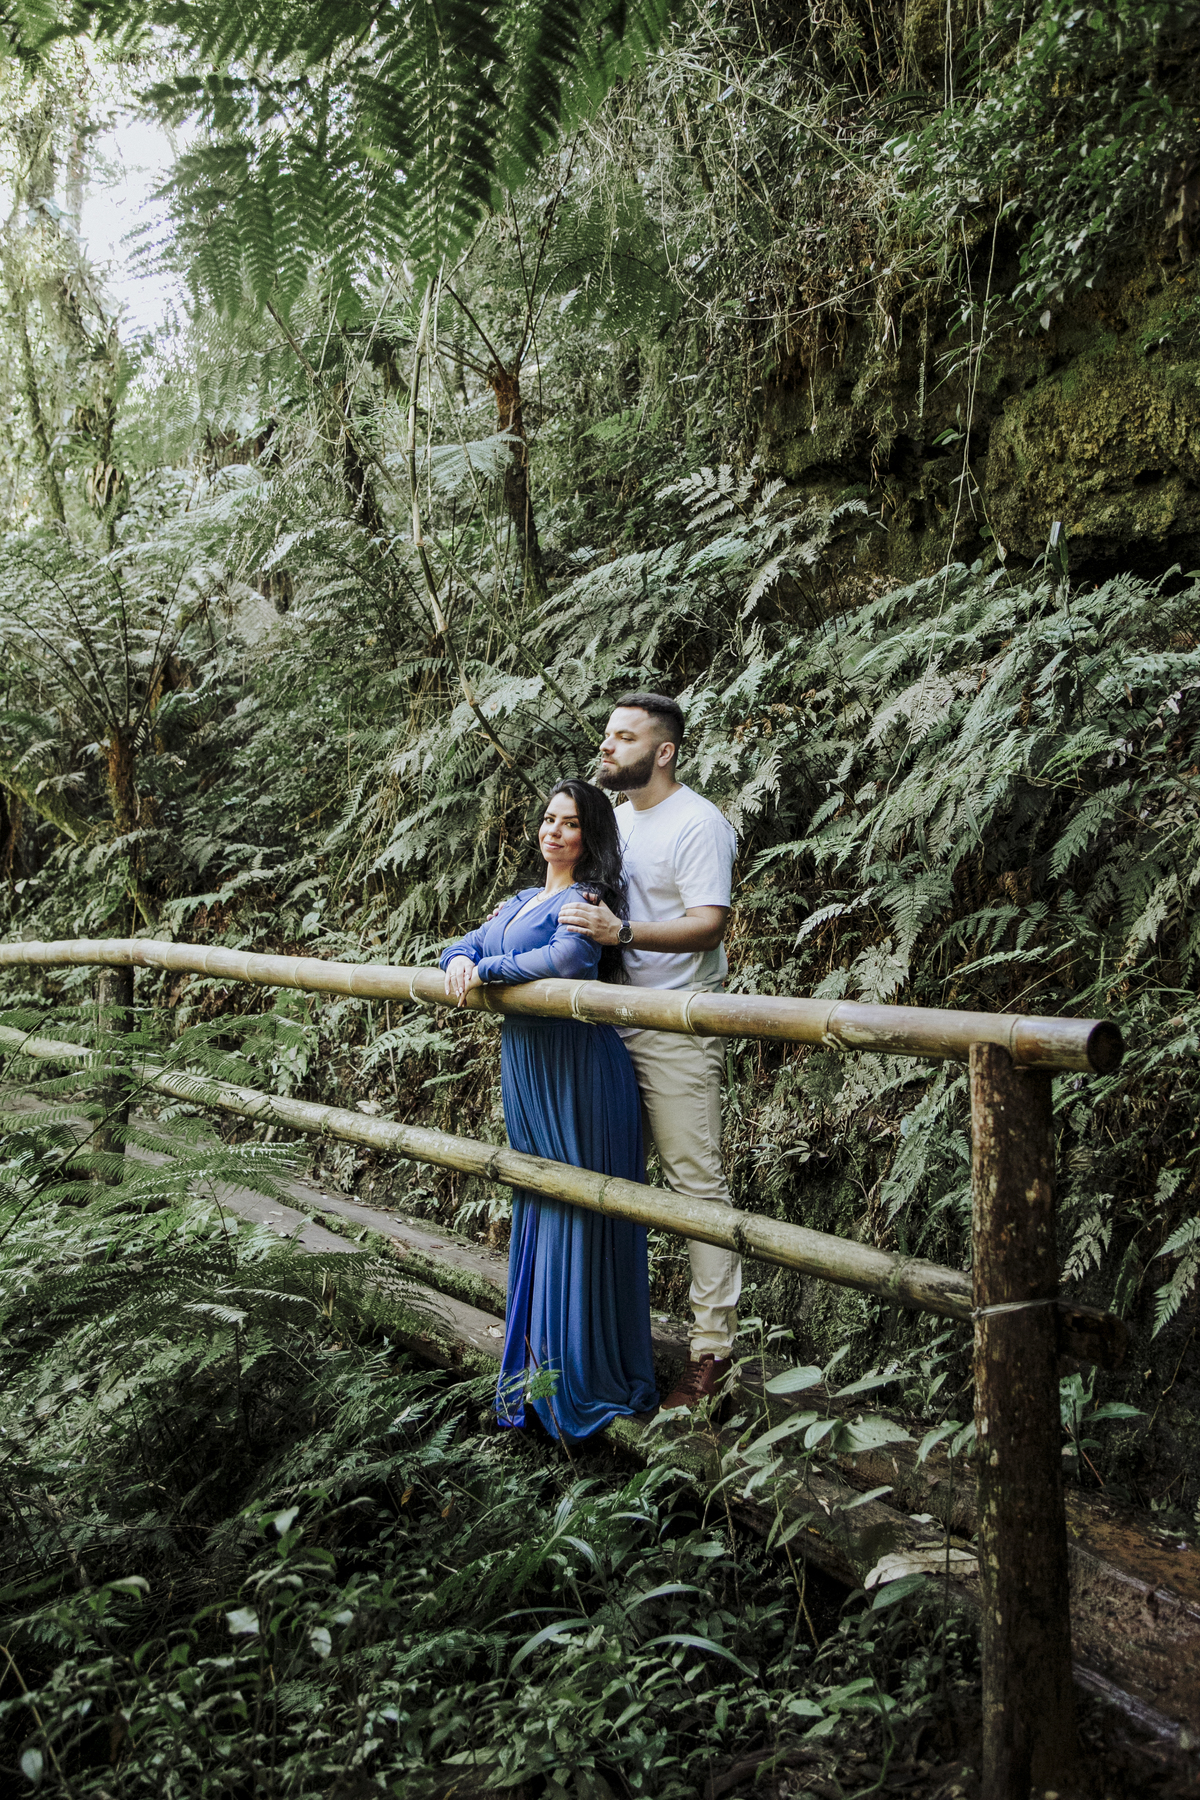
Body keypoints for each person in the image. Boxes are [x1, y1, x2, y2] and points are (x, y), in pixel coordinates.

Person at [439, 778, 658, 1442]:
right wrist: (460, 960)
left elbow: (566, 960)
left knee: (581, 1208)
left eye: (570, 823)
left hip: (578, 1070)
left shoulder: (585, 901)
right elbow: (466, 943)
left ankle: (581, 1375)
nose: (553, 831)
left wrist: (487, 970)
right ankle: (537, 1379)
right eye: (548, 819)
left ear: (590, 837)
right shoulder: (522, 900)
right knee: (540, 1197)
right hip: (529, 1069)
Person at [559, 692, 741, 1414]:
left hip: (676, 1024)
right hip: (609, 1020)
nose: (606, 746)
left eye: (624, 737)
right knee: (604, 1176)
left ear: (663, 752)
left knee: (694, 1183)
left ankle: (712, 1353)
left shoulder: (697, 823)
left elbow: (708, 924)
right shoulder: (614, 821)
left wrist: (623, 934)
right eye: (607, 734)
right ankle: (606, 1341)